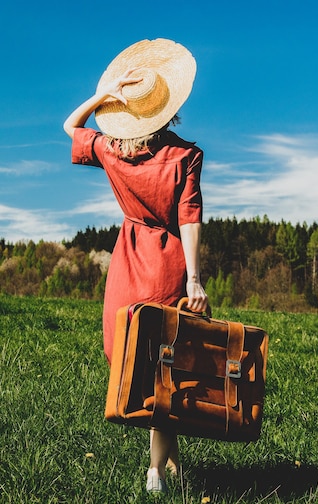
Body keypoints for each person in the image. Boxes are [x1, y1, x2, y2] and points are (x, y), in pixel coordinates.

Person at [63, 39, 208, 495]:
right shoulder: (186, 155)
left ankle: (172, 467)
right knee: (165, 364)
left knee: (141, 358)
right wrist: (195, 277)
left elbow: (71, 125)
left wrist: (104, 96)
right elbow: (189, 216)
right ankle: (156, 473)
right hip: (166, 260)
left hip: (127, 258)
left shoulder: (111, 149)